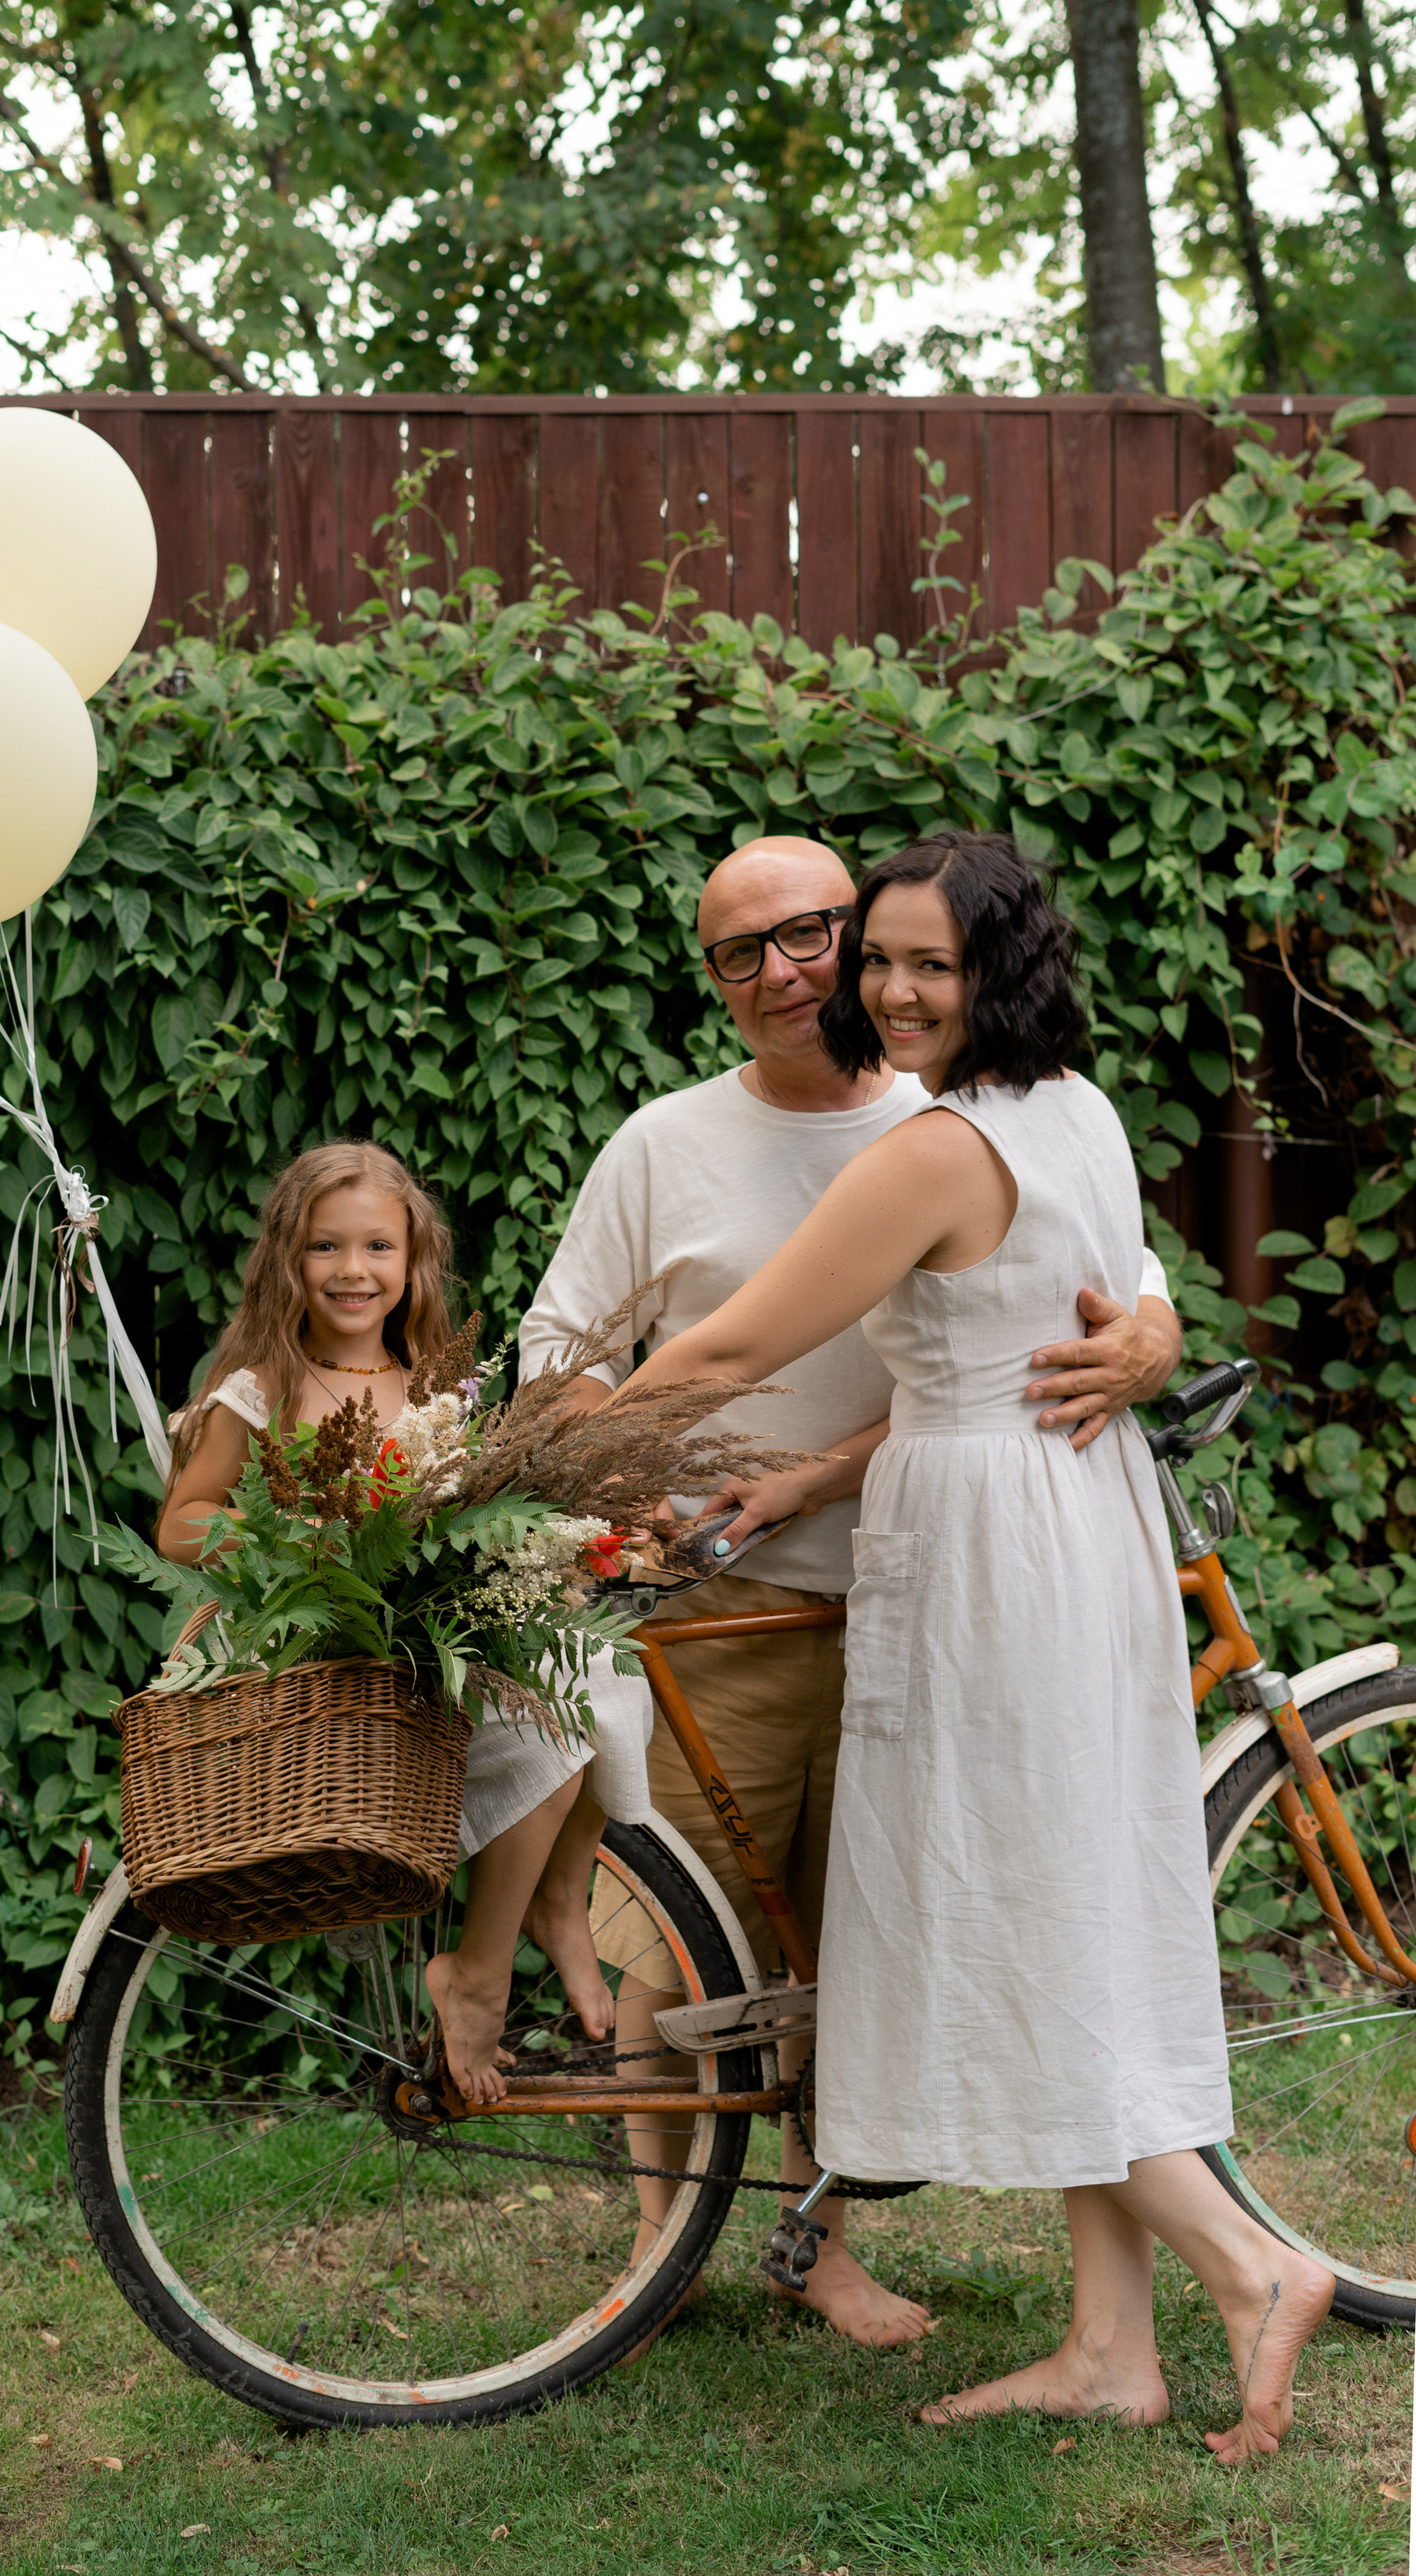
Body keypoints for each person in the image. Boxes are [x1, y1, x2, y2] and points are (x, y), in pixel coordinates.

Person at [603, 830, 1331, 2464]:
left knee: (1006, 1921)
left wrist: (522, 1460)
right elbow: (1116, 1284)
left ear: (998, 968)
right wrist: (1143, 1329)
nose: (889, 988)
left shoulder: (934, 1149)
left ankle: (1249, 2263)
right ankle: (1107, 2345)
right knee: (1062, 1908)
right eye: (876, 959)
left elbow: (731, 1338)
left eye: (928, 961)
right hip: (1057, 1525)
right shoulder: (1068, 1105)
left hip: (995, 1554)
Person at [519, 833, 1179, 2350]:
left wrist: (1144, 1343)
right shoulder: (661, 1145)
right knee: (671, 1961)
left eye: (814, 935)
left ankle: (808, 2243)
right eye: (736, 953)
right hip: (720, 1613)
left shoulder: (962, 1104)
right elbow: (567, 1349)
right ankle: (660, 2248)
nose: (792, 974)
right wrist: (593, 1487)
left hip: (916, 1598)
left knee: (843, 1955)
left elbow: (1100, 1286)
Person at [158, 1141, 652, 2108]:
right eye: (325, 1248)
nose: (352, 1270)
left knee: (602, 1680)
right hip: (326, 1653)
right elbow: (180, 1521)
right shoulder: (263, 1385)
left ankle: (559, 1896)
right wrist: (286, 1532)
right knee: (556, 1729)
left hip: (423, 1642)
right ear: (287, 1262)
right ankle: (480, 1965)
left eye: (377, 1246)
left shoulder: (431, 1387)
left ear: (412, 1259)